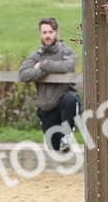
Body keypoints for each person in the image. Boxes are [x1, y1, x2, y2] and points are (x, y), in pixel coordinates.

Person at [18, 17, 79, 152]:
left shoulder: (66, 52)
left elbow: (68, 65)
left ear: (57, 33)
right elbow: (23, 74)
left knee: (71, 98)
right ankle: (59, 142)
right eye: (44, 32)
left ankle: (67, 135)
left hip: (64, 100)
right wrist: (46, 71)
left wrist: (43, 65)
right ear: (40, 34)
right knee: (54, 147)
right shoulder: (36, 55)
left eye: (50, 32)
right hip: (46, 107)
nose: (47, 35)